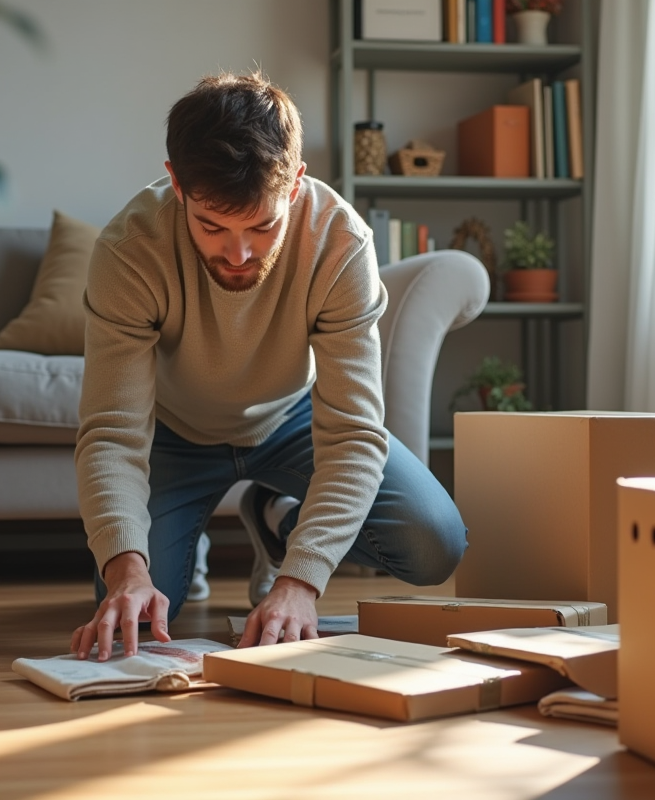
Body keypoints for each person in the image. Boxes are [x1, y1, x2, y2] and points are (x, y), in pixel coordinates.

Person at [71, 71, 467, 661]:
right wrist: (127, 569)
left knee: (435, 544)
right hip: (175, 434)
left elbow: (355, 435)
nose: (239, 254)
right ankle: (178, 546)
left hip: (293, 421)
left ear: (296, 183)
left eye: (263, 226)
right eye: (212, 227)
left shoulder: (341, 244)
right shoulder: (130, 250)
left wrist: (300, 581)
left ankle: (279, 516)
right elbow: (111, 433)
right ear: (177, 184)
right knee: (144, 610)